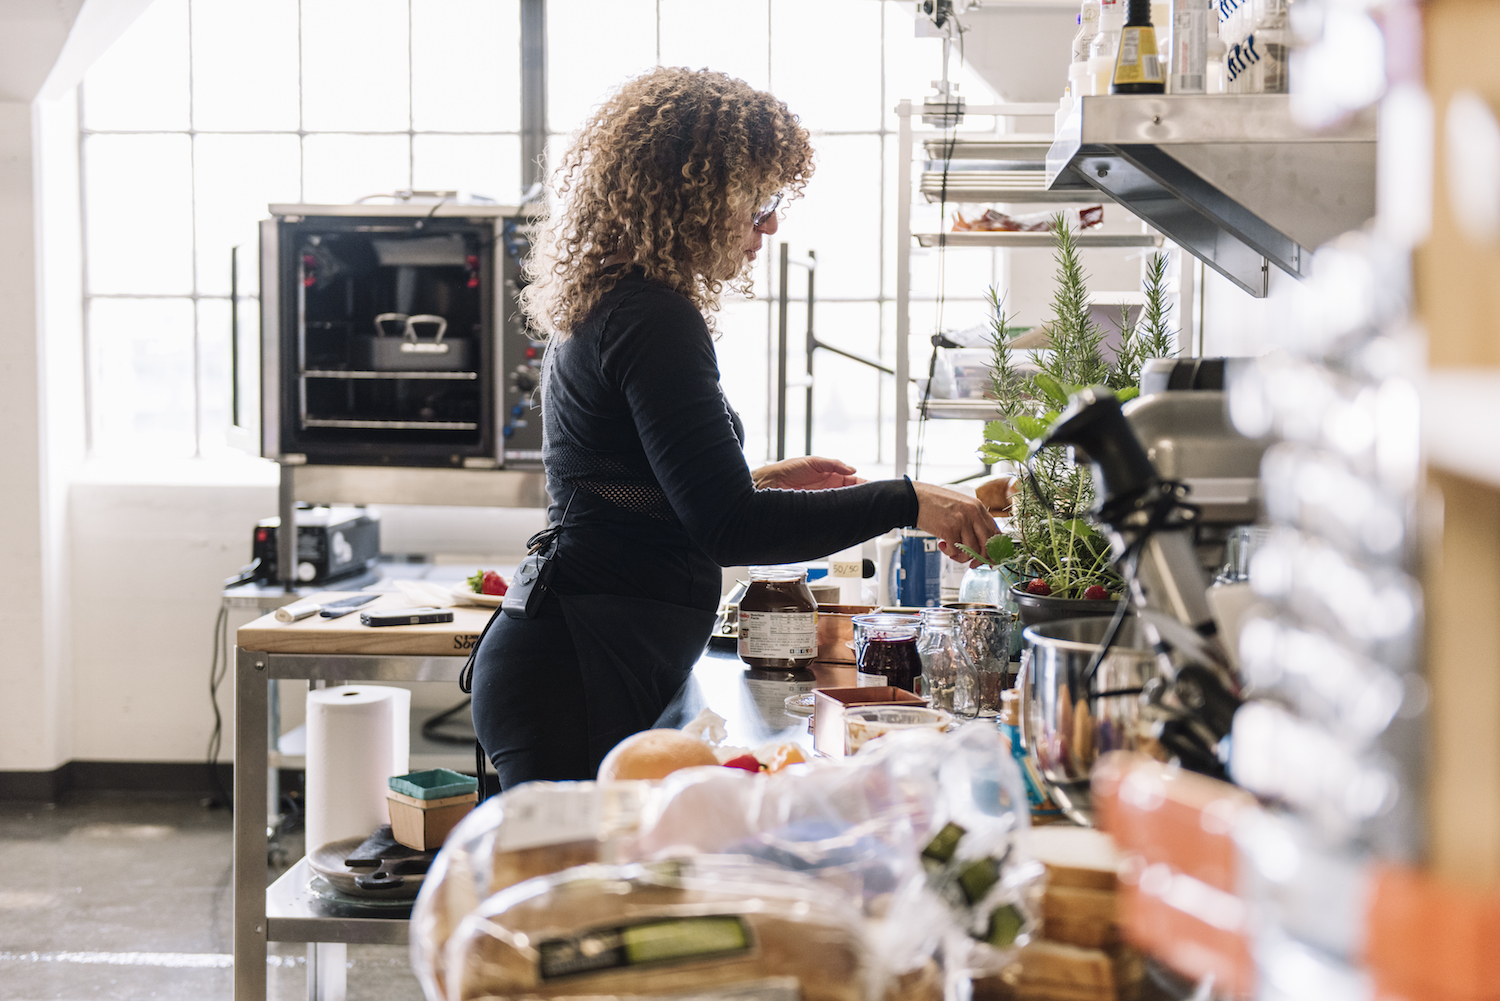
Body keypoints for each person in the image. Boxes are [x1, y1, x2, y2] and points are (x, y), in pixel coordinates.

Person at [469, 67, 998, 789]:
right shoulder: (652, 317)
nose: (770, 222)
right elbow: (729, 527)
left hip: (581, 657)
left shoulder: (620, 302)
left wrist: (759, 477)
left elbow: (627, 486)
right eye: (758, 199)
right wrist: (909, 501)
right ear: (694, 195)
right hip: (577, 672)